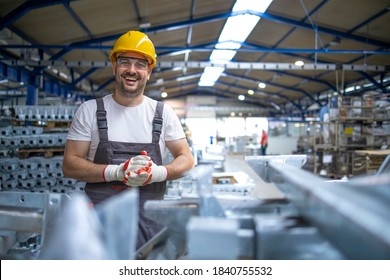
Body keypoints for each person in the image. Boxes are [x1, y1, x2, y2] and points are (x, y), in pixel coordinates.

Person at [62, 30, 195, 249]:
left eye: (140, 64)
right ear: (114, 66)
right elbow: (70, 164)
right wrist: (116, 172)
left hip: (150, 227)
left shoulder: (162, 113)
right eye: (125, 62)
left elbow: (187, 159)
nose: (132, 70)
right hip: (99, 226)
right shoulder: (90, 111)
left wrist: (158, 173)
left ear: (149, 71)